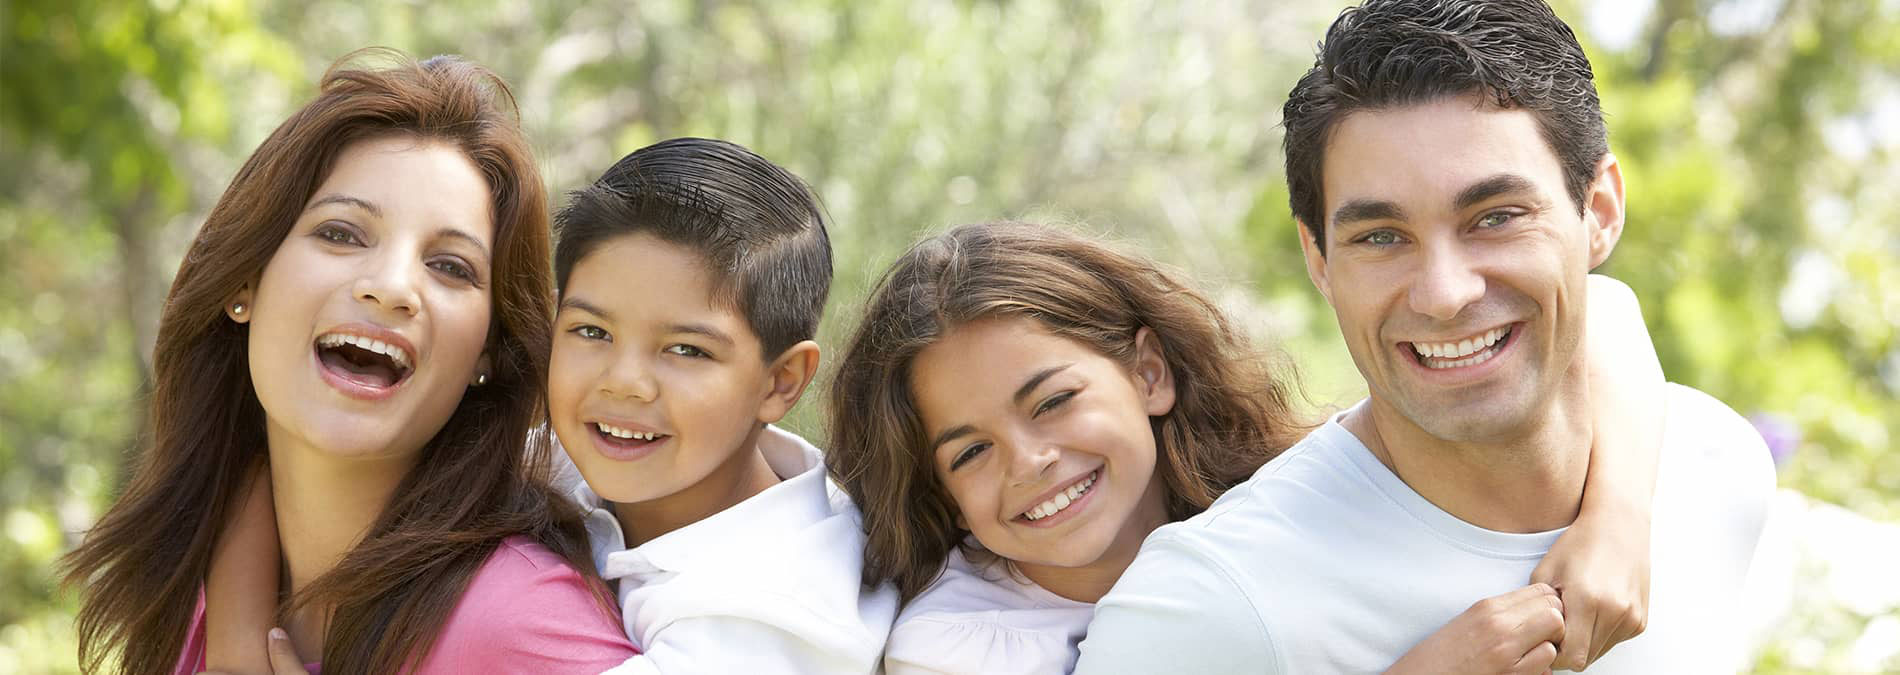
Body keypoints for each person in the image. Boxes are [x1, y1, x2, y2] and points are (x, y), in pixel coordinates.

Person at [1074, 1, 1775, 673]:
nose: (1444, 294)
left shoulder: (1716, 469)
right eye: (1381, 236)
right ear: (1319, 260)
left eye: (1495, 217)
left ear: (1598, 209)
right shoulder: (1210, 604)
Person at [828, 221, 1667, 674]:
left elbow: (1605, 310)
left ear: (1149, 371)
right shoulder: (958, 650)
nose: (1029, 460)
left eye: (1052, 400)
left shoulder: (1268, 506)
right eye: (969, 452)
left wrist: (1617, 519)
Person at [58, 50, 636, 674]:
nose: (390, 287)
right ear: (244, 281)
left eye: (450, 266)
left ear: (490, 351)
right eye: (340, 233)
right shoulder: (195, 600)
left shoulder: (517, 621)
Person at [545, 137, 899, 673]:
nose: (625, 383)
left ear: (781, 381)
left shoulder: (775, 616)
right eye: (592, 331)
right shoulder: (559, 460)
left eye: (686, 349)